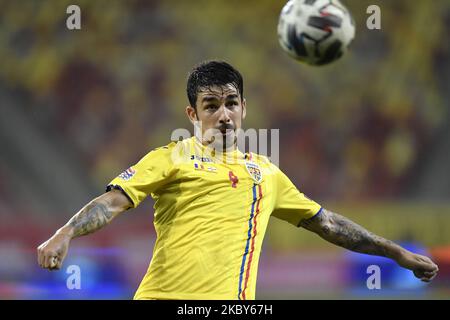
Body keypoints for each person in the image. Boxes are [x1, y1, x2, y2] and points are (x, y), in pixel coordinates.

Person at [37, 60, 438, 300]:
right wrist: (66, 232)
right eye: (211, 106)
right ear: (192, 115)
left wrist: (395, 253)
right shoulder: (171, 158)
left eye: (231, 103)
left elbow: (328, 224)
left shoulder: (267, 173)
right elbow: (112, 202)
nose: (223, 115)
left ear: (244, 107)